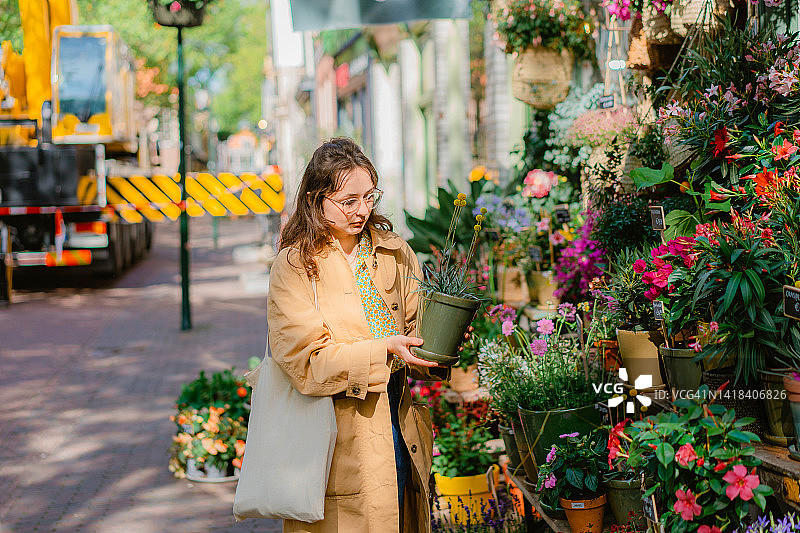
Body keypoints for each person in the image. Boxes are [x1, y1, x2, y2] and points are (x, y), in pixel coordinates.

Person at [268, 138, 449, 533]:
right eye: (348, 201)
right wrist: (384, 349)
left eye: (369, 197)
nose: (363, 210)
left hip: (397, 424)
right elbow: (305, 363)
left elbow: (414, 333)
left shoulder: (395, 251)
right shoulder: (296, 265)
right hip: (334, 437)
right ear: (316, 200)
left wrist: (439, 349)